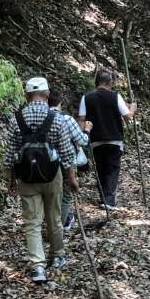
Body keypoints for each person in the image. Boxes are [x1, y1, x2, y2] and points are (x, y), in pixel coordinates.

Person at [5, 77, 79, 284]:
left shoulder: (17, 118)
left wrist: (11, 180)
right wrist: (71, 178)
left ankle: (37, 266)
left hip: (26, 177)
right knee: (53, 217)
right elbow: (65, 151)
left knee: (32, 221)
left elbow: (10, 154)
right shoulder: (55, 118)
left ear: (27, 96)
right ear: (47, 95)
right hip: (52, 175)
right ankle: (57, 256)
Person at [78, 70, 137, 211]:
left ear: (96, 82)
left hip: (95, 139)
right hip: (114, 139)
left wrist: (82, 137)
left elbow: (81, 119)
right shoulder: (115, 96)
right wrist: (132, 109)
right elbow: (128, 117)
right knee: (112, 169)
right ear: (109, 83)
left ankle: (103, 198)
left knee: (100, 167)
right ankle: (108, 200)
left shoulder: (86, 97)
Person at [49, 88, 91, 232]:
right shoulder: (66, 118)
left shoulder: (41, 117)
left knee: (50, 195)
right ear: (60, 102)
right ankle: (59, 227)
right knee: (66, 195)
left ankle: (54, 223)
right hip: (66, 161)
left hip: (46, 163)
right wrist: (87, 130)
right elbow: (82, 140)